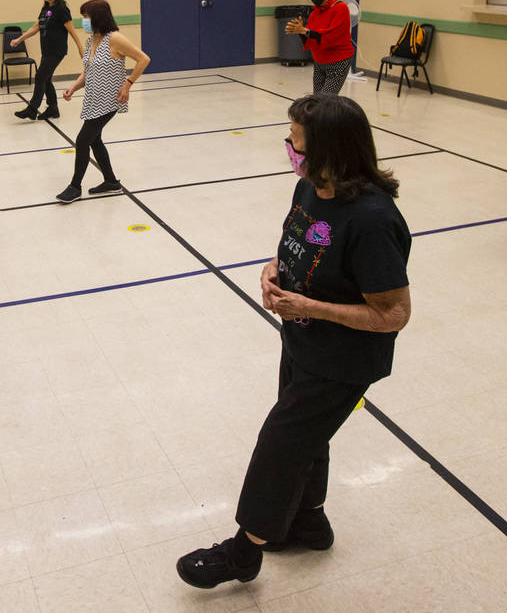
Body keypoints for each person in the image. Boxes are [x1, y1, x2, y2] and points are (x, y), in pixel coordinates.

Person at [176, 93, 412, 590]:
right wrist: (273, 270)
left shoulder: (372, 221)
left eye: (296, 139)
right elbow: (296, 244)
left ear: (328, 146)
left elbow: (393, 314)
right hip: (302, 341)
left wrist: (310, 308)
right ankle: (309, 521)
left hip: (343, 358)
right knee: (307, 437)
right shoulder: (310, 188)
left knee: (281, 443)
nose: (289, 147)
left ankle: (246, 550)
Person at [55, 0, 150, 204]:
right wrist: (73, 87)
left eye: (86, 16)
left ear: (97, 16)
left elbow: (143, 59)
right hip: (92, 99)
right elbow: (88, 71)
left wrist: (128, 84)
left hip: (109, 100)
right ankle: (111, 182)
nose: (84, 21)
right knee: (95, 140)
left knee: (82, 140)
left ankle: (75, 187)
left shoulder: (114, 38)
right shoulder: (92, 39)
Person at [10, 0, 84, 120]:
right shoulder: (45, 9)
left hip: (57, 50)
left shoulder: (62, 8)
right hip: (46, 50)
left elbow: (72, 30)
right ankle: (53, 109)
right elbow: (35, 27)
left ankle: (32, 109)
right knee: (46, 79)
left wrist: (80, 48)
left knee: (39, 77)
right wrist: (19, 39)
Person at [284, 0, 354, 95]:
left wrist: (305, 31)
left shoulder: (340, 8)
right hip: (319, 61)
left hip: (337, 60)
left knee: (326, 99)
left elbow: (331, 37)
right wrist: (299, 31)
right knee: (317, 98)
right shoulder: (315, 12)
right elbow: (311, 39)